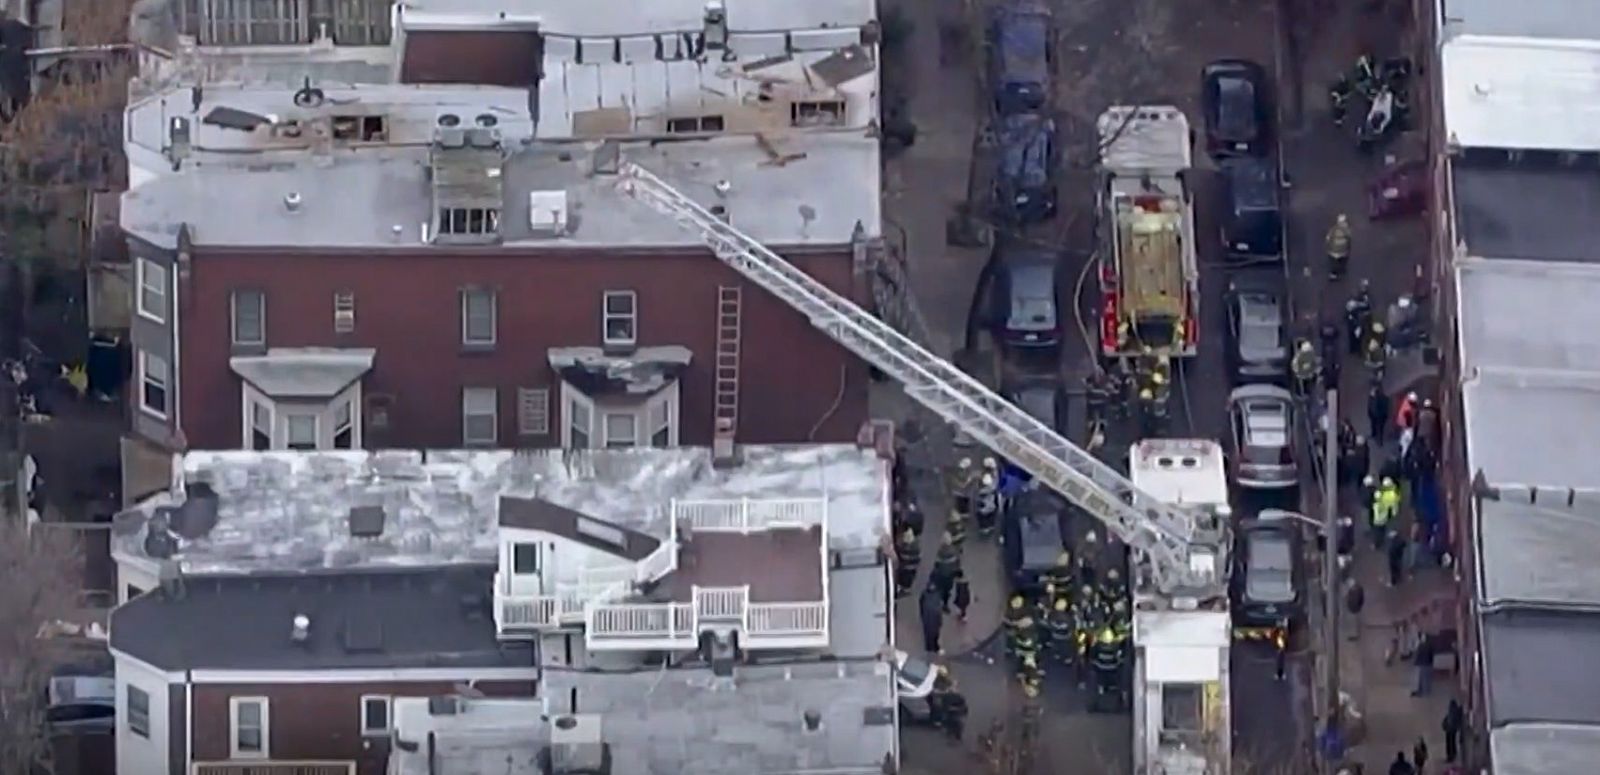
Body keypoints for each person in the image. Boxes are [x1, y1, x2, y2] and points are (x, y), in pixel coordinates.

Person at [1373, 477, 1401, 548]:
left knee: (1378, 530)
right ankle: (1383, 541)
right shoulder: (1392, 494)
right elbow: (1395, 504)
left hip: (1378, 515)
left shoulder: (1378, 493)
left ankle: (1378, 543)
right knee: (1383, 529)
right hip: (1385, 515)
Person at [893, 526, 919, 596]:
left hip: (909, 567)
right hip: (909, 566)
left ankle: (905, 590)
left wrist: (899, 551)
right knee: (905, 578)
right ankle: (904, 589)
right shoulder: (915, 545)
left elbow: (904, 556)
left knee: (906, 579)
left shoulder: (912, 547)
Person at [919, 585, 944, 654]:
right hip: (931, 618)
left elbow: (921, 605)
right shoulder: (936, 595)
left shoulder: (925, 595)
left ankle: (930, 647)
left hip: (929, 618)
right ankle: (933, 647)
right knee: (933, 634)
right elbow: (939, 608)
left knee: (931, 634)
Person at [1326, 214, 1353, 279]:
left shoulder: (1333, 229)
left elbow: (1327, 238)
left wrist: (1328, 247)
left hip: (1333, 251)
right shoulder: (1347, 230)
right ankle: (1342, 269)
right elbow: (1349, 238)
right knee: (1344, 259)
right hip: (1343, 251)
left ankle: (1333, 273)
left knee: (1333, 261)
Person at [1412, 632, 1436, 697]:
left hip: (1423, 663)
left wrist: (1415, 662)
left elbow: (1417, 654)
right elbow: (1431, 654)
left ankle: (1423, 692)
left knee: (1423, 678)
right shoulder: (1428, 644)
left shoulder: (1422, 645)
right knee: (1424, 678)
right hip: (1427, 663)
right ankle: (1423, 691)